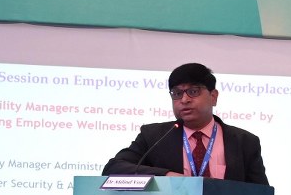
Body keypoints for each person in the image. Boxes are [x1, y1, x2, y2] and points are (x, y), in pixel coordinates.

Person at [103, 63, 269, 184]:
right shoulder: (154, 136)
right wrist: (167, 175)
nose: (184, 100)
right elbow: (113, 168)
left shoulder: (244, 142)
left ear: (213, 96)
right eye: (177, 93)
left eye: (193, 91)